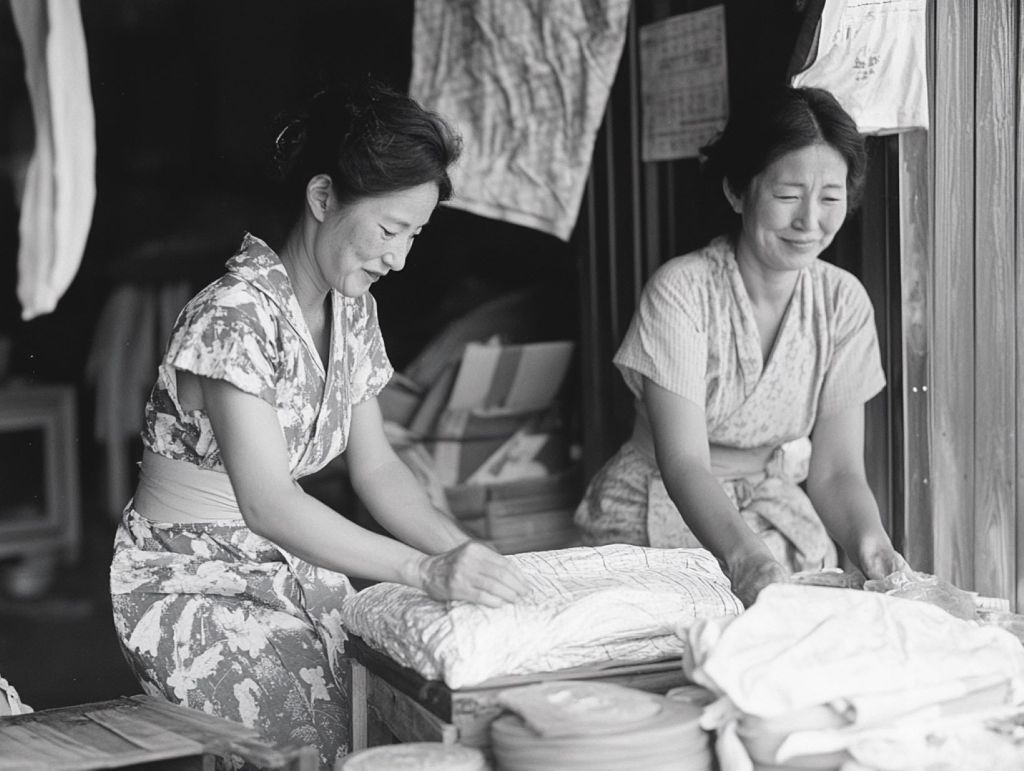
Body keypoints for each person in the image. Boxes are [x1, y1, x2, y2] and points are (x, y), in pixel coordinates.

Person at [109, 80, 529, 769]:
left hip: (287, 561)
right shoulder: (234, 313)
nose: (400, 258)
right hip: (192, 576)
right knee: (316, 741)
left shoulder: (351, 308)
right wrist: (425, 568)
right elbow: (270, 502)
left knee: (391, 695)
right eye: (390, 230)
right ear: (323, 197)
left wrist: (470, 559)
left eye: (414, 234)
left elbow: (378, 468)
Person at [574, 86, 909, 608]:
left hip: (772, 509)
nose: (809, 221)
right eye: (787, 195)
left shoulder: (843, 302)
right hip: (657, 508)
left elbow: (838, 470)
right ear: (737, 191)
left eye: (830, 198)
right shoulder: (682, 290)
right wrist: (747, 559)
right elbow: (685, 462)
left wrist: (877, 551)